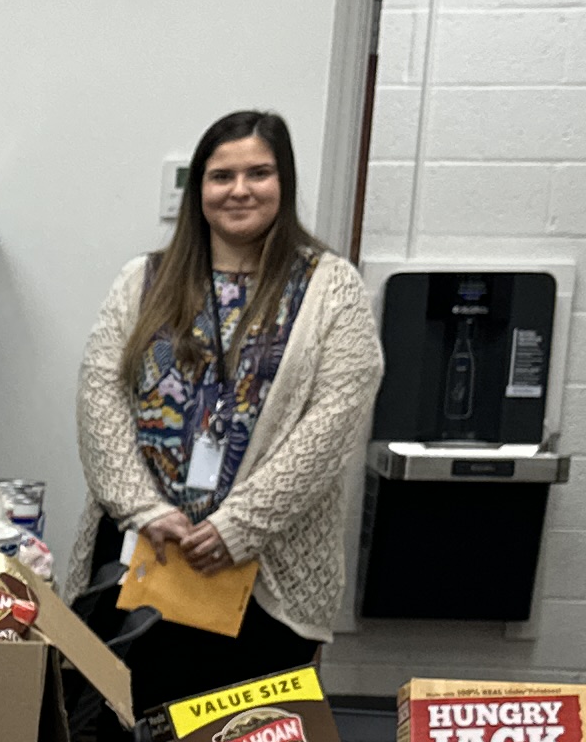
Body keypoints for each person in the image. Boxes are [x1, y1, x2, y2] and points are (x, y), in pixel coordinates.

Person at [71, 106, 383, 705]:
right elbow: (99, 395)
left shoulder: (330, 287)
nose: (240, 190)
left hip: (264, 577)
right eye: (222, 176)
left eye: (258, 173)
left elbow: (334, 424)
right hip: (144, 554)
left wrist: (239, 525)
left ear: (283, 182)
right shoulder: (144, 279)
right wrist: (140, 506)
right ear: (200, 189)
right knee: (118, 735)